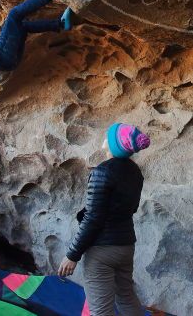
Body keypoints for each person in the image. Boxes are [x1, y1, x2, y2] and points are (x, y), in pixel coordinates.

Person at [58, 123, 151, 316]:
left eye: (108, 136)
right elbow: (130, 208)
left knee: (101, 310)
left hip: (102, 251)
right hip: (126, 245)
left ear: (113, 144)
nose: (104, 139)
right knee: (126, 296)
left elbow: (93, 219)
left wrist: (72, 255)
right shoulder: (136, 173)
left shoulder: (102, 171)